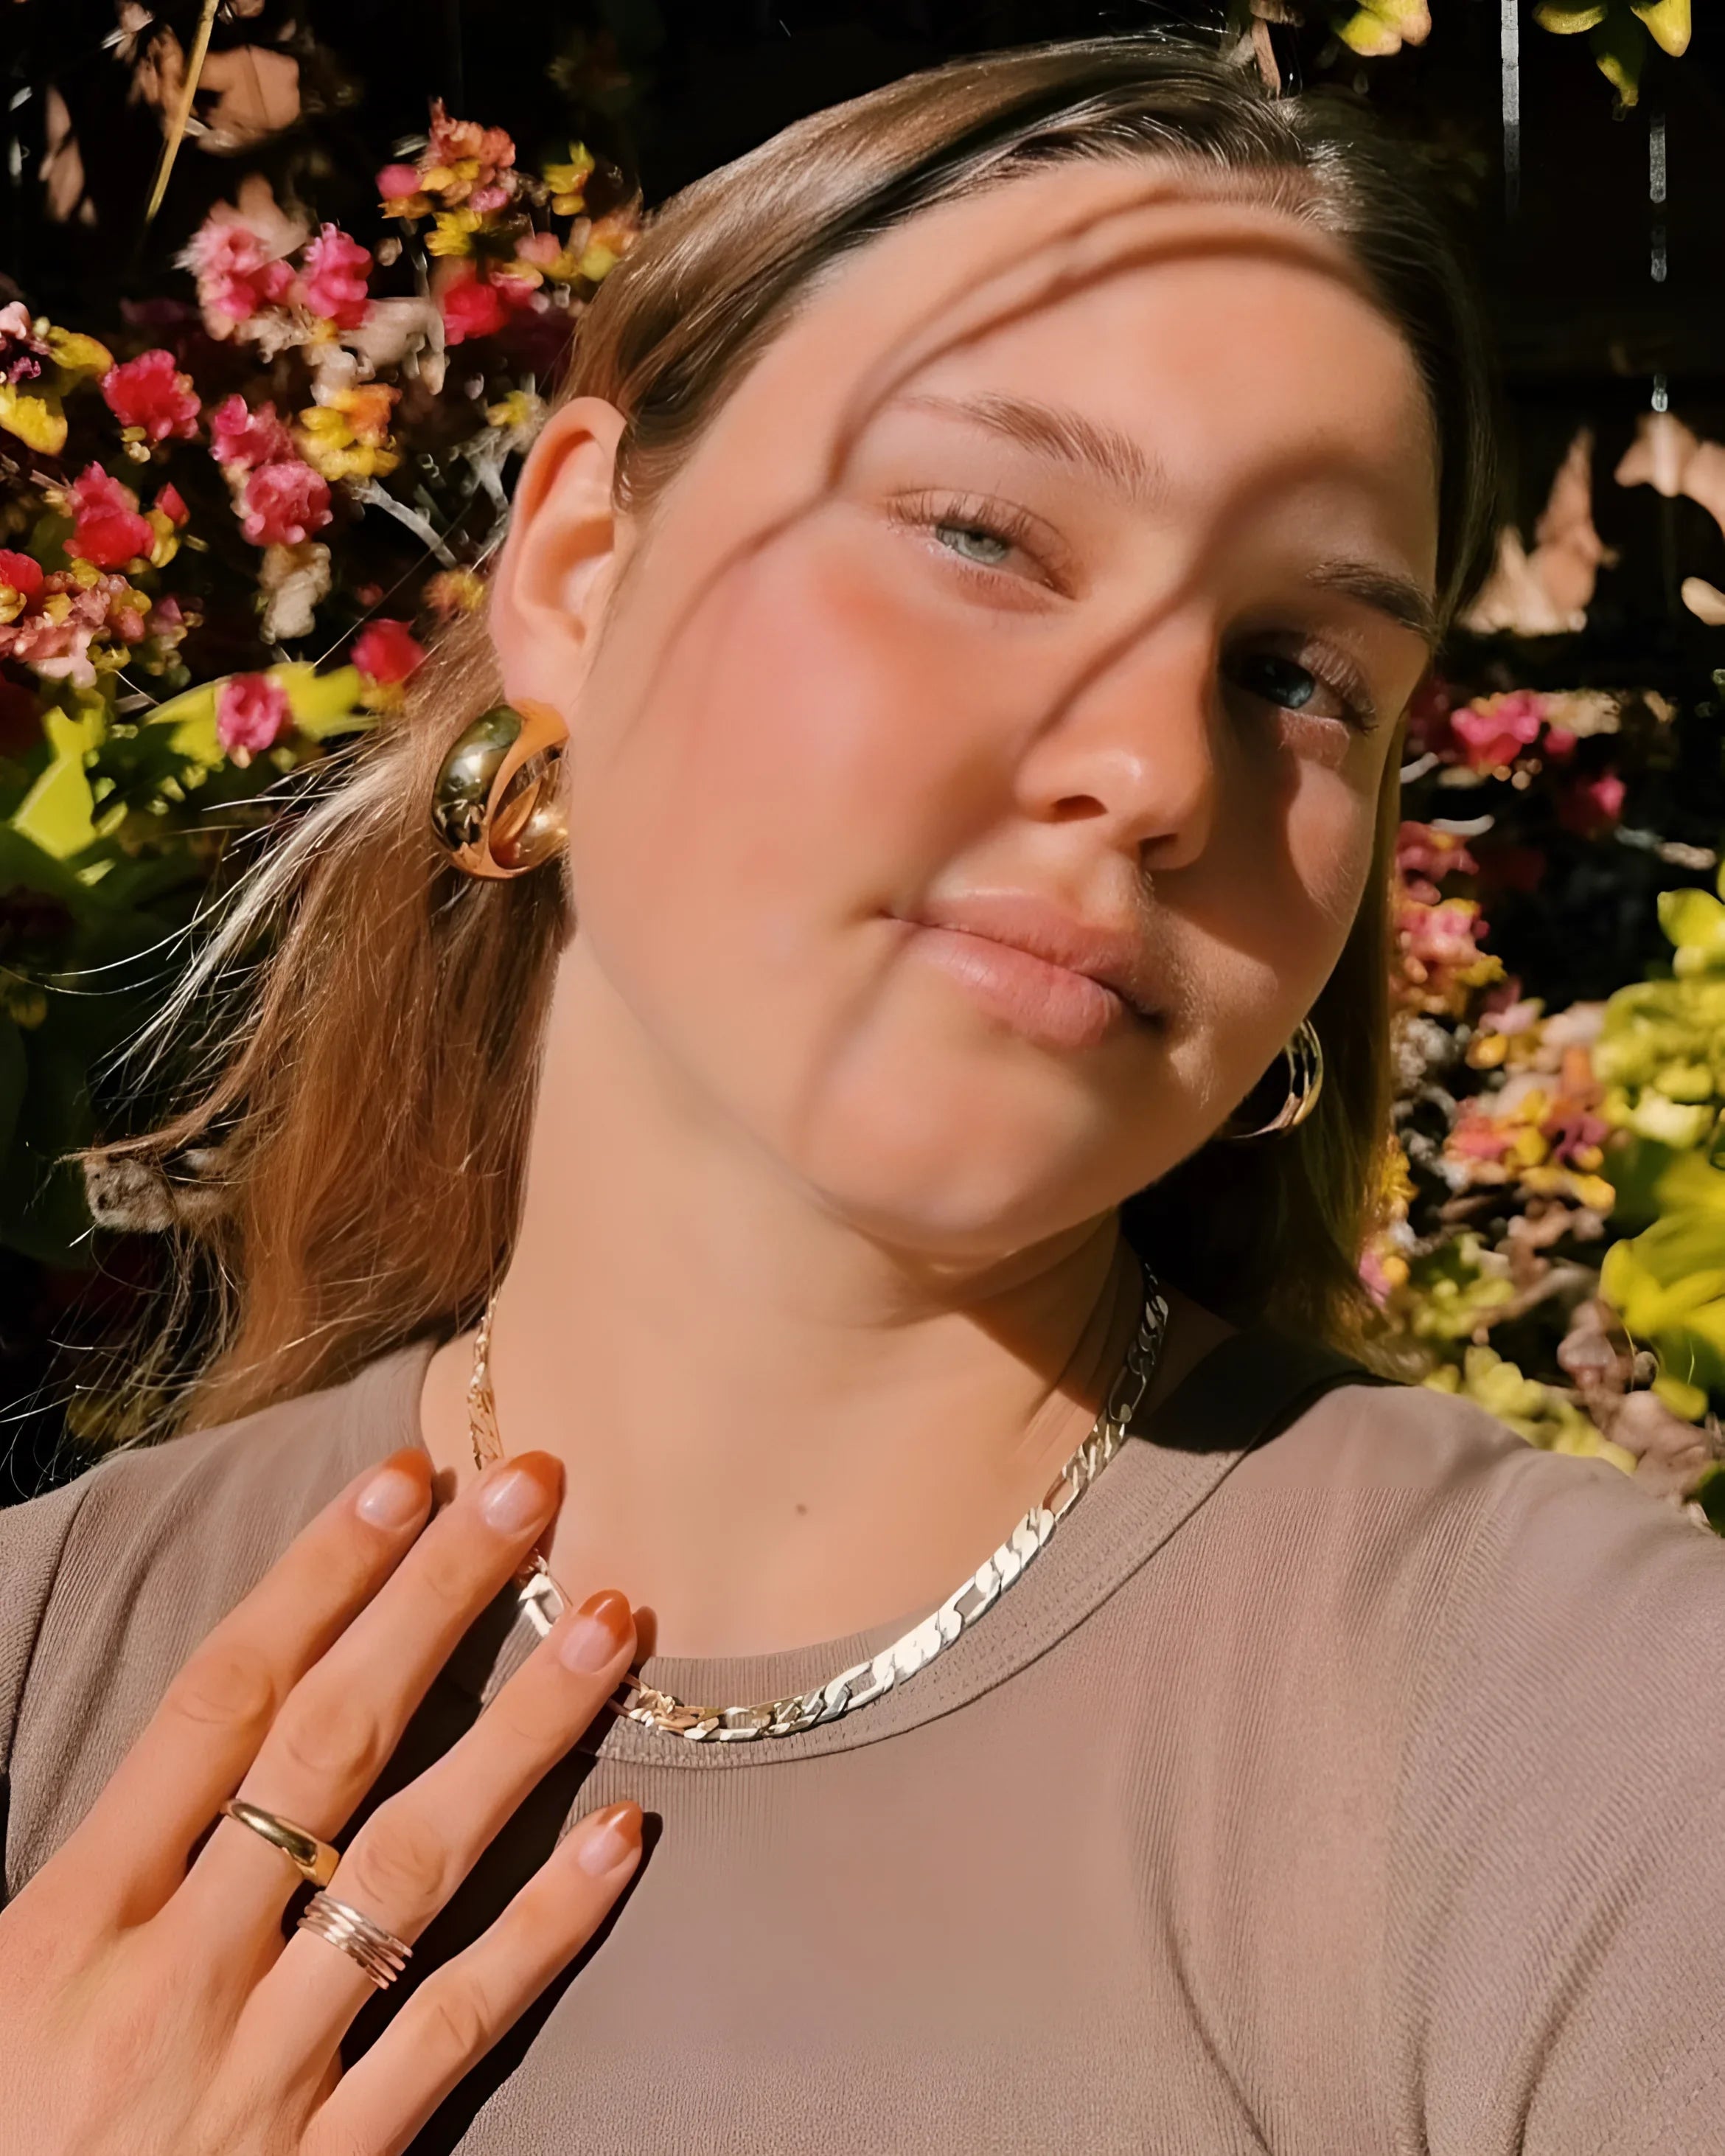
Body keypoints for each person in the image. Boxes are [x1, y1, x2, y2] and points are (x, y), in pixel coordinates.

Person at [1, 29, 1721, 2156]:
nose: (1156, 769)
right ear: (577, 573)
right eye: (989, 535)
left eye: (1293, 674)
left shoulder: (1582, 1744)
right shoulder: (41, 1677)